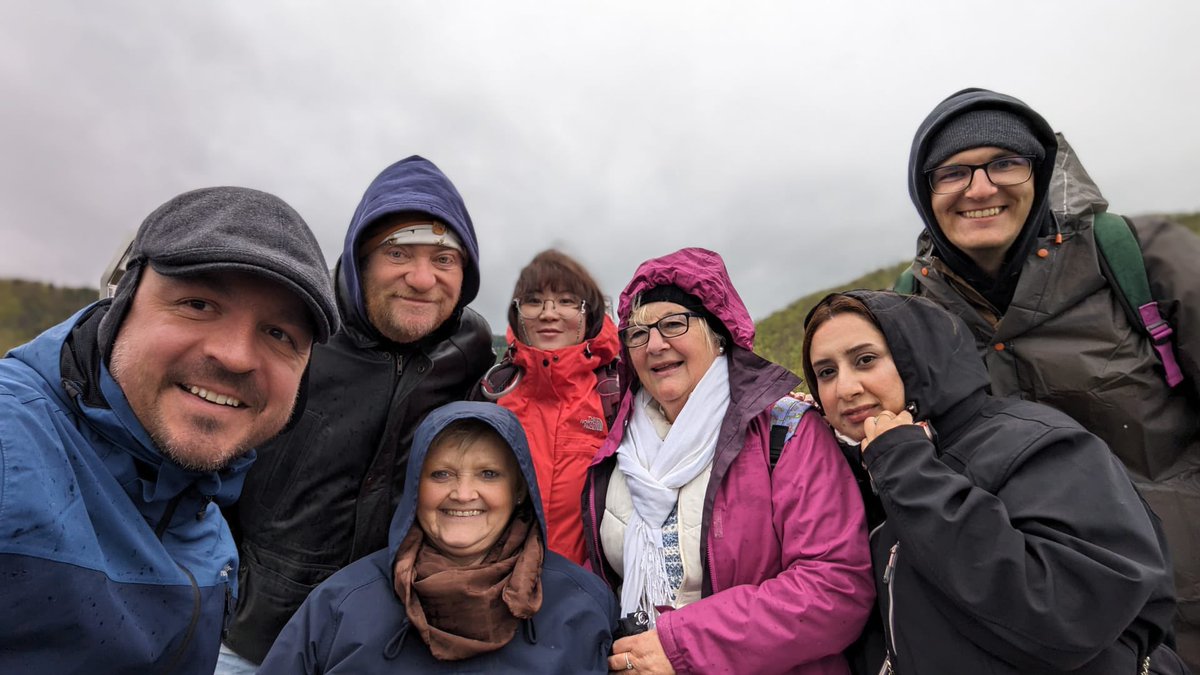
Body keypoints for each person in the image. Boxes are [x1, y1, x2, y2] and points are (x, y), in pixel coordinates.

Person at [901, 87, 1200, 668]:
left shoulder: (1145, 256)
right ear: (925, 192)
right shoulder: (912, 313)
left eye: (1004, 163)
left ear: (1040, 171)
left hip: (1183, 617)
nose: (981, 187)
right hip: (1030, 631)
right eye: (953, 172)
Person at [0, 187, 339, 674]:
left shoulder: (208, 524)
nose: (236, 355)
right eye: (198, 304)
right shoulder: (14, 444)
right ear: (119, 306)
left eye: (279, 334)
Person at [801, 290, 1182, 673]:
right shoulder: (866, 478)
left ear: (919, 355)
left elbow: (1068, 616)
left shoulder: (1037, 444)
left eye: (865, 360)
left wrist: (906, 468)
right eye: (826, 373)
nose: (846, 388)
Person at [220, 156, 495, 668]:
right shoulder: (296, 331)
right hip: (248, 636)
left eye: (444, 259)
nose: (422, 278)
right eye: (398, 253)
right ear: (358, 258)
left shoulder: (471, 348)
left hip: (382, 642)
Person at [581, 247, 874, 675]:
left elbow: (835, 586)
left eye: (674, 323)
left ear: (719, 335)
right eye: (638, 333)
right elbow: (604, 574)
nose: (655, 344)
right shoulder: (619, 447)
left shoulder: (786, 430)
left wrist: (681, 645)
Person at [257, 401, 618, 673]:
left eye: (488, 474)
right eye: (441, 474)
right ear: (415, 487)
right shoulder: (341, 603)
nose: (463, 493)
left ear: (519, 489)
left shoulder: (581, 603)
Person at [476, 249, 619, 565]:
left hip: (586, 594)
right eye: (534, 301)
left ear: (589, 313)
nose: (548, 313)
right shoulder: (492, 392)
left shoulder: (617, 395)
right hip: (497, 586)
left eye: (567, 301)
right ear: (518, 312)